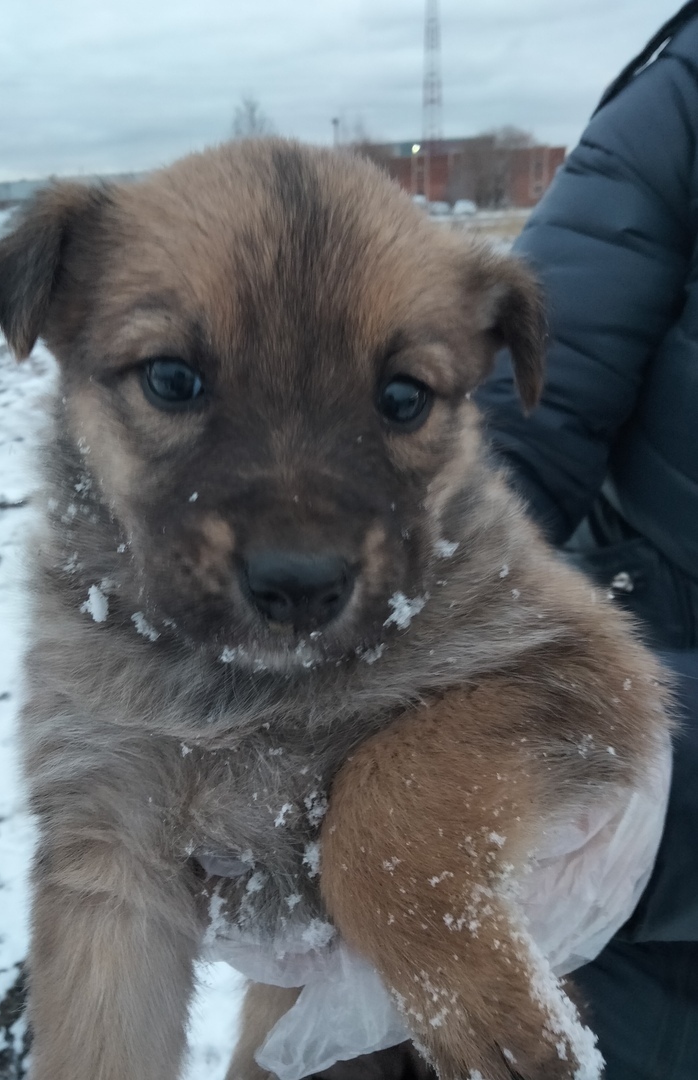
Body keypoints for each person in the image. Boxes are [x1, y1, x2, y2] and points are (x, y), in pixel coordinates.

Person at [475, 4, 698, 1078]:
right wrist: (381, 624)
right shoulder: (686, 94)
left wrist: (653, 800)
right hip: (620, 950)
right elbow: (519, 423)